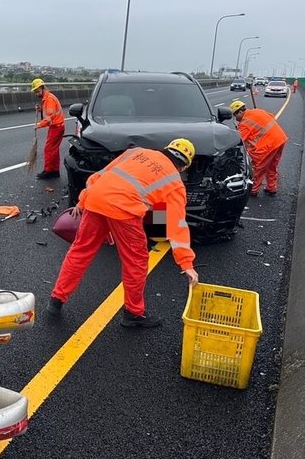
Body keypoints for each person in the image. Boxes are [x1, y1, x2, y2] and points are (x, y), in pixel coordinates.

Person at [46, 139, 199, 328]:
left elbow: (100, 175)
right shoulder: (175, 183)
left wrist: (83, 200)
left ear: (166, 149)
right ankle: (133, 313)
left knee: (80, 251)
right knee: (136, 261)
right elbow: (176, 225)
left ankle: (56, 300)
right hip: (123, 210)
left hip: (96, 198)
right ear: (184, 167)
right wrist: (186, 264)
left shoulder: (136, 152)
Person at [230, 100, 288, 196]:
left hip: (268, 144)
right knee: (272, 165)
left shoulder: (244, 123)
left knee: (257, 167)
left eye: (235, 116)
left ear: (240, 112)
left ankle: (253, 189)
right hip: (280, 139)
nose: (236, 119)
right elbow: (271, 117)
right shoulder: (258, 111)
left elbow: (238, 140)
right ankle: (271, 187)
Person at [31, 78, 65, 179]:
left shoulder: (49, 99)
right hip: (56, 126)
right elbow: (49, 112)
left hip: (56, 127)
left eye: (37, 91)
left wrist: (38, 125)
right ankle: (55, 171)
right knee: (54, 150)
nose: (37, 94)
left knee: (49, 149)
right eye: (35, 92)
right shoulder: (47, 98)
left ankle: (48, 171)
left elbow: (49, 118)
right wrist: (40, 109)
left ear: (42, 88)